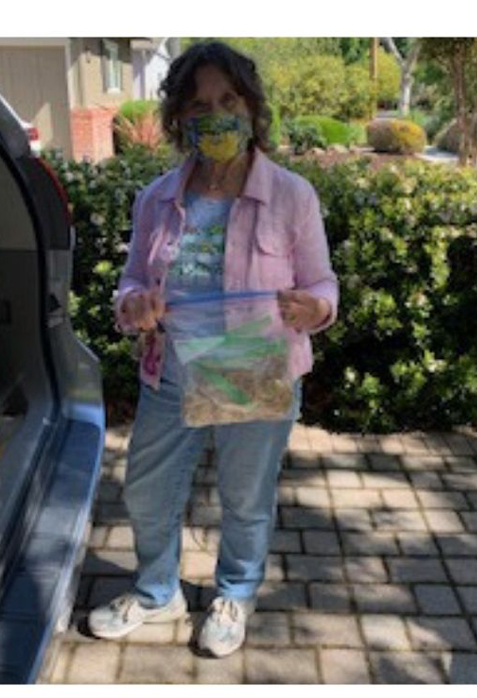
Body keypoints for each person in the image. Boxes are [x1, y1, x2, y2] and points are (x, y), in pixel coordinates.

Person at [84, 42, 339, 660]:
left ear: (251, 108)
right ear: (178, 118)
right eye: (200, 104)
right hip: (171, 368)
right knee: (145, 487)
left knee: (246, 496)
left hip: (256, 366)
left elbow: (322, 284)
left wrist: (316, 308)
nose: (216, 114)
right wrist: (135, 304)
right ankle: (155, 592)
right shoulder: (157, 199)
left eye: (228, 100)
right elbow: (132, 283)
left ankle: (234, 593)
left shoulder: (291, 196)